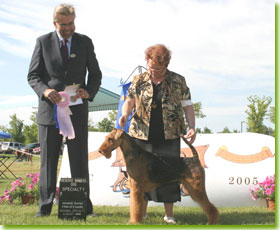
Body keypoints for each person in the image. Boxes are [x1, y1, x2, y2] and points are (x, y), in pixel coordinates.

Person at [27, 3, 102, 217]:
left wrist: (89, 91)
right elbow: (33, 76)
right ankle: (44, 209)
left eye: (71, 23)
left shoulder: (85, 42)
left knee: (79, 161)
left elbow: (96, 74)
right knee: (48, 163)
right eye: (63, 25)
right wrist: (45, 90)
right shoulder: (42, 42)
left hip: (76, 112)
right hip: (49, 114)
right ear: (55, 23)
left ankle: (84, 207)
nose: (68, 28)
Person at [119, 44, 196, 224]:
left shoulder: (178, 81)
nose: (154, 71)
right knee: (140, 176)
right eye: (151, 67)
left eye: (159, 69)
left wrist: (192, 126)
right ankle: (141, 215)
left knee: (170, 174)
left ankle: (169, 216)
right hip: (141, 135)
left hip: (169, 135)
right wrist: (124, 115)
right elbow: (129, 101)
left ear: (166, 65)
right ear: (147, 62)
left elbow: (188, 106)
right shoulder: (138, 80)